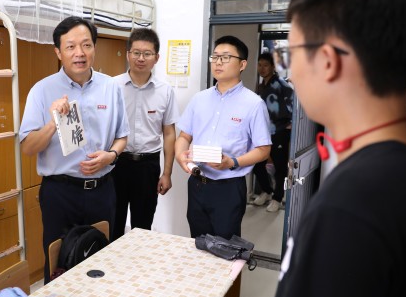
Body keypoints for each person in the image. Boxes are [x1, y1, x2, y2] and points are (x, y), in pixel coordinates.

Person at [253, 0, 406, 297]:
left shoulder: (352, 204)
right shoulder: (394, 175)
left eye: (291, 55)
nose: (291, 73)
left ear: (327, 61)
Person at [19, 16, 129, 282]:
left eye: (86, 45)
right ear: (58, 52)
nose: (79, 53)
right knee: (58, 264)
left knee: (101, 262)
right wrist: (53, 122)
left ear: (94, 48)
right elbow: (28, 147)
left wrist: (110, 156)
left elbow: (122, 137)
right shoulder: (41, 90)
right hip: (60, 193)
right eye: (70, 47)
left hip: (102, 190)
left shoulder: (110, 87)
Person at [175, 35, 271, 239]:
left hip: (229, 187)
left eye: (226, 57)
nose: (218, 62)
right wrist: (180, 156)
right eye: (215, 57)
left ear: (242, 64)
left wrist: (232, 162)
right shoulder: (199, 99)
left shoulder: (254, 104)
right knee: (198, 242)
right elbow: (184, 136)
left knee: (226, 246)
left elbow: (264, 150)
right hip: (197, 182)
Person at [111, 29, 180, 241]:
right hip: (116, 164)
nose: (141, 58)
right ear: (128, 54)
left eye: (147, 53)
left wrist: (167, 173)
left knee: (142, 227)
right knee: (113, 223)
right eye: (136, 53)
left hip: (147, 166)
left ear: (156, 58)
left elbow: (169, 133)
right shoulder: (112, 86)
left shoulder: (165, 91)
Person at [251, 51, 293, 212]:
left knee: (280, 166)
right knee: (257, 165)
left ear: (273, 67)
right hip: (262, 132)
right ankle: (267, 191)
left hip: (279, 131)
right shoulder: (261, 85)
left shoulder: (281, 84)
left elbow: (293, 103)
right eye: (259, 65)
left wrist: (290, 123)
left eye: (266, 65)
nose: (262, 68)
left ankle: (277, 198)